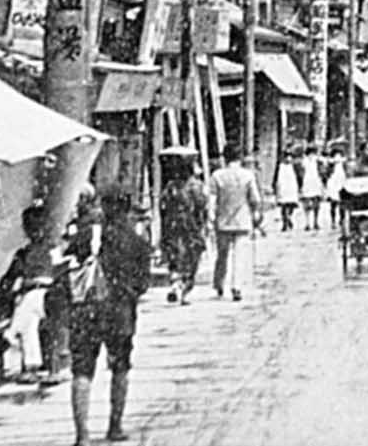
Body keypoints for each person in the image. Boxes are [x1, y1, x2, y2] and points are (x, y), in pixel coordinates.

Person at [65, 183, 151, 445]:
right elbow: (143, 284)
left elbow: (65, 264)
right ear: (127, 209)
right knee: (120, 367)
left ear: (103, 206)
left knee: (81, 371)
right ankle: (115, 426)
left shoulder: (86, 235)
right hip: (121, 313)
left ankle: (82, 435)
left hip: (86, 310)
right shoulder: (137, 242)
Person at [0, 205, 62, 384]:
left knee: (16, 330)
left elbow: (9, 278)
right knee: (36, 327)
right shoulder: (53, 249)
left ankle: (28, 368)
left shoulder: (24, 253)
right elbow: (59, 269)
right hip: (53, 294)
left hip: (33, 293)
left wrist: (10, 289)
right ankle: (52, 369)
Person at [208, 143, 263, 301]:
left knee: (222, 255)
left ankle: (219, 284)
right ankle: (236, 287)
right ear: (240, 158)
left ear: (224, 157)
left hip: (222, 221)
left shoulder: (217, 176)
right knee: (240, 255)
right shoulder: (247, 175)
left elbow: (212, 200)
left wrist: (211, 217)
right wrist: (256, 213)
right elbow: (255, 198)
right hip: (242, 221)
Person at [158, 153, 206, 304]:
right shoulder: (195, 186)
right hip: (190, 224)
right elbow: (201, 205)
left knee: (174, 253)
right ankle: (184, 288)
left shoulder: (170, 186)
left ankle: (174, 282)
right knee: (192, 255)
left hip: (171, 224)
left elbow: (162, 206)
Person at [298, 144, 326, 231]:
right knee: (306, 204)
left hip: (316, 182)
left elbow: (324, 167)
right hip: (307, 182)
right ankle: (307, 222)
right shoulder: (304, 161)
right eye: (310, 153)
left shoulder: (317, 161)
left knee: (316, 203)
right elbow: (300, 172)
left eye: (313, 153)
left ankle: (315, 221)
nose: (311, 155)